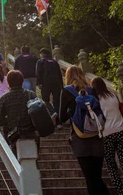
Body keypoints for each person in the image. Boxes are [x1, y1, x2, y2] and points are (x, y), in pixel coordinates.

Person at [60, 65, 109, 195]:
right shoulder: (91, 90)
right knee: (97, 177)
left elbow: (61, 117)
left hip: (79, 137)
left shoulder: (66, 91)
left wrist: (72, 113)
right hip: (96, 136)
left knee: (90, 178)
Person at [91, 76, 123, 195]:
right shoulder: (113, 95)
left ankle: (120, 190)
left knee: (111, 165)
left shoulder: (96, 100)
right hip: (120, 130)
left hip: (106, 133)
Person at [0, 70, 37, 149]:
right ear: (22, 81)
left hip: (13, 136)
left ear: (8, 82)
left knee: (14, 159)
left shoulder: (4, 98)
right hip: (31, 133)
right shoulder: (31, 95)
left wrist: (10, 121)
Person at [36, 48, 63, 127]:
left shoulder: (40, 61)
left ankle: (52, 112)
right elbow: (59, 74)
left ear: (43, 53)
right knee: (57, 102)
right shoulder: (55, 62)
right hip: (56, 83)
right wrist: (61, 85)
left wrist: (39, 83)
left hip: (45, 83)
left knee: (45, 100)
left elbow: (38, 73)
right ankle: (59, 122)